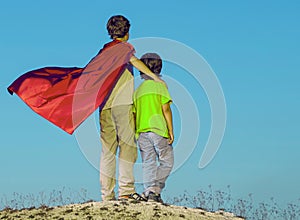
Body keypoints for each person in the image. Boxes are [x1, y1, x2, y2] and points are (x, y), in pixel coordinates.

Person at [99, 15, 164, 201]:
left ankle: (107, 195)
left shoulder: (103, 52)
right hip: (122, 104)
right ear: (126, 32)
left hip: (104, 107)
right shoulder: (124, 48)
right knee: (127, 148)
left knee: (108, 151)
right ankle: (126, 191)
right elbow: (134, 60)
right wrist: (155, 77)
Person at [133, 53, 174, 203]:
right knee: (167, 161)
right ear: (159, 67)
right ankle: (155, 191)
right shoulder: (160, 86)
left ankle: (148, 191)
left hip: (142, 131)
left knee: (148, 163)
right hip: (158, 129)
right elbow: (166, 109)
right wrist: (170, 130)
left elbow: (134, 113)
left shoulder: (138, 91)